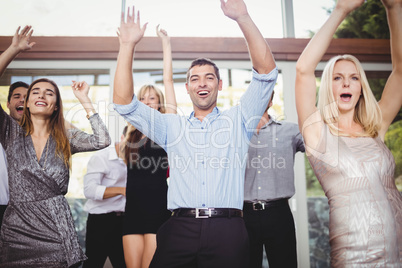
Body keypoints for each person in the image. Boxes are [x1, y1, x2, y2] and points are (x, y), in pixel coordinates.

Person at [113, 0, 278, 266]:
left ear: (219, 84)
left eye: (209, 77)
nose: (202, 83)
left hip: (229, 230)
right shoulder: (171, 126)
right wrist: (127, 45)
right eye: (194, 78)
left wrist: (243, 17)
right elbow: (123, 103)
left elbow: (267, 73)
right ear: (187, 87)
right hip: (180, 229)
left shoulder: (240, 119)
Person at [295, 0, 402, 266]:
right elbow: (303, 69)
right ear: (328, 86)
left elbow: (400, 72)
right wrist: (340, 10)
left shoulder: (375, 127)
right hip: (353, 254)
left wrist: (394, 9)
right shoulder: (317, 133)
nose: (346, 83)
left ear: (361, 87)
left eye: (354, 77)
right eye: (337, 77)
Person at [0, 26, 111, 267]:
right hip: (17, 232)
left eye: (49, 93)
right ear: (27, 103)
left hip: (56, 232)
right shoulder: (10, 133)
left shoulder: (65, 138)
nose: (42, 95)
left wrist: (85, 101)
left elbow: (102, 139)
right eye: (35, 92)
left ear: (55, 106)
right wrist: (14, 49)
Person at [121, 25, 177, 268]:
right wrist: (127, 46)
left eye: (151, 98)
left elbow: (168, 79)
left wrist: (165, 44)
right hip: (132, 208)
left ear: (159, 103)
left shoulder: (167, 127)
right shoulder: (128, 133)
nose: (145, 102)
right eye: (141, 98)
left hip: (157, 206)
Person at [243, 91, 305, 268]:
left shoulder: (291, 130)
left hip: (278, 214)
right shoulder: (235, 134)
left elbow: (321, 147)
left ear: (271, 101)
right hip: (244, 215)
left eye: (265, 95)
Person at [82, 126, 128, 268]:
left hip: (126, 222)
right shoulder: (101, 157)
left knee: (124, 264)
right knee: (93, 264)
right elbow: (89, 190)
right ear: (122, 138)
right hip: (101, 222)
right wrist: (122, 190)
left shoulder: (140, 159)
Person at [0, 81, 29, 231]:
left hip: (28, 213)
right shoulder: (3, 128)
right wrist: (12, 54)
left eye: (27, 97)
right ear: (8, 103)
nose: (22, 100)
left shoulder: (41, 137)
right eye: (17, 96)